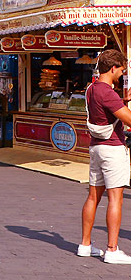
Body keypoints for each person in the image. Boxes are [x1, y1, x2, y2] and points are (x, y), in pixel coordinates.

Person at [79, 49, 131, 263]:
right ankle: (112, 249)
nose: (121, 74)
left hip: (96, 147)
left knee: (93, 196)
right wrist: (124, 105)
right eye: (121, 70)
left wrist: (124, 101)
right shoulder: (107, 92)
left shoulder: (91, 89)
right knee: (115, 199)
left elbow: (110, 114)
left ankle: (85, 244)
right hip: (112, 148)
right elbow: (128, 120)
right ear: (113, 68)